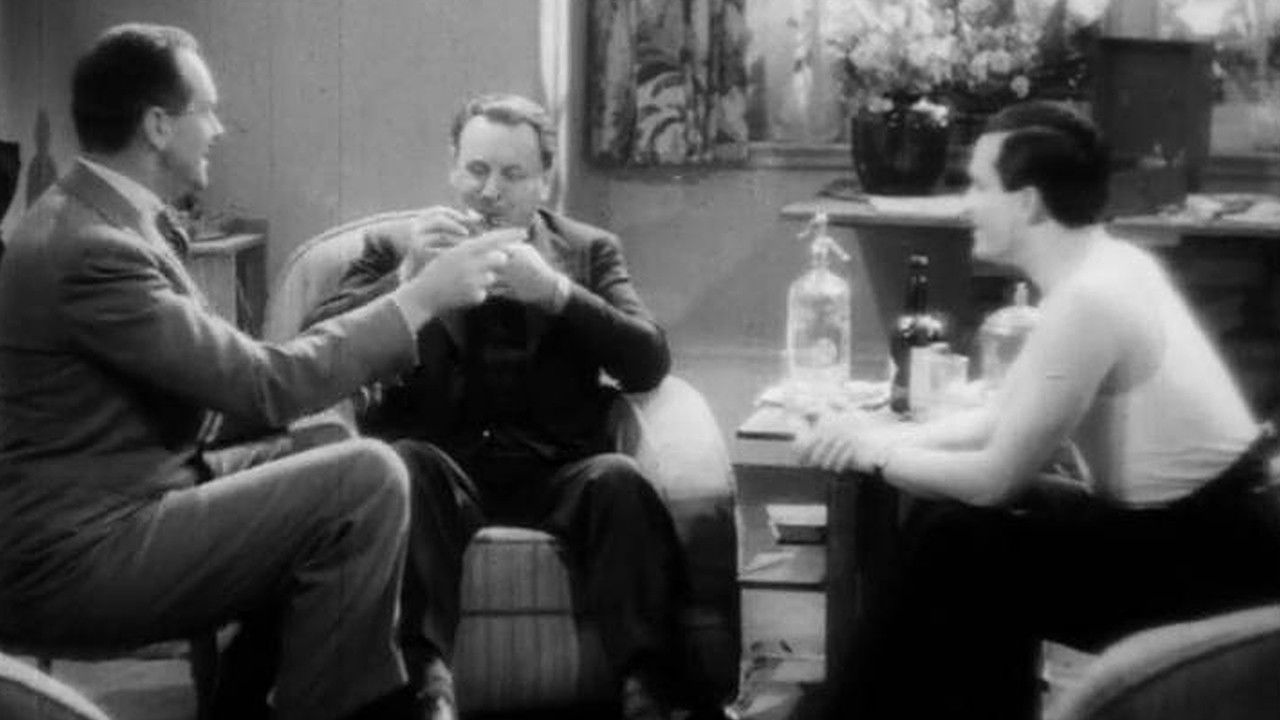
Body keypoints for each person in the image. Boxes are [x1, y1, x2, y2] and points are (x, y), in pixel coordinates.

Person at [0, 23, 517, 720]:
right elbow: (260, 384)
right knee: (365, 479)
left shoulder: (102, 218)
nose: (217, 130)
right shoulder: (92, 246)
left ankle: (249, 699)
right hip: (76, 556)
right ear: (157, 126)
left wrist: (374, 335)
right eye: (207, 111)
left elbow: (222, 395)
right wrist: (420, 298)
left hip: (126, 498)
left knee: (328, 445)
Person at [796, 101, 1280, 719]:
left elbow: (995, 478)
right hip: (1197, 530)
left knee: (965, 543)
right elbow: (1000, 417)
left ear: (1027, 203)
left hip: (1209, 560)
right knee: (947, 525)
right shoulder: (1109, 266)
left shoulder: (1091, 298)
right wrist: (867, 435)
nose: (965, 204)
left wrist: (877, 453)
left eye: (979, 186)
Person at [306, 93, 723, 720]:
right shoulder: (395, 248)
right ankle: (426, 692)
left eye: (512, 174)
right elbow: (315, 348)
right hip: (443, 467)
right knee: (404, 467)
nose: (489, 192)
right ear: (452, 167)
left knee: (620, 481)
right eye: (476, 170)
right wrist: (409, 280)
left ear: (544, 181)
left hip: (559, 472)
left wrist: (556, 292)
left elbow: (648, 360)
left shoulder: (588, 250)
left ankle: (651, 693)